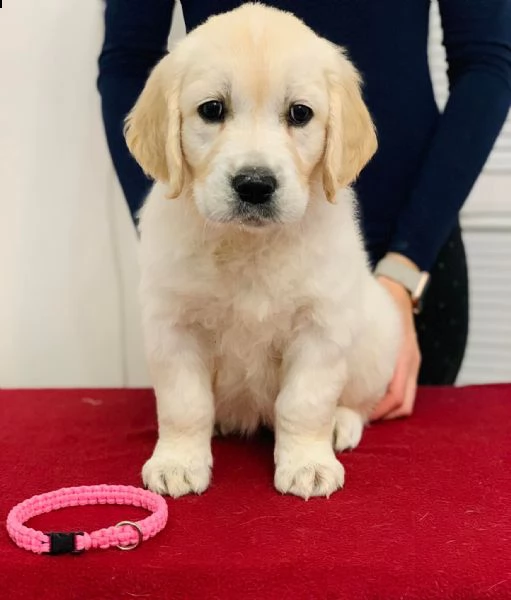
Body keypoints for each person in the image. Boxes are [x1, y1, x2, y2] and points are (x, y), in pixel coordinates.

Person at [97, 0, 511, 420]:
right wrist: (169, 233)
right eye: (213, 110)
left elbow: (486, 61)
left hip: (404, 248)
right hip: (198, 231)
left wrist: (405, 267)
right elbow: (126, 60)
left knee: (402, 462)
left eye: (297, 114)